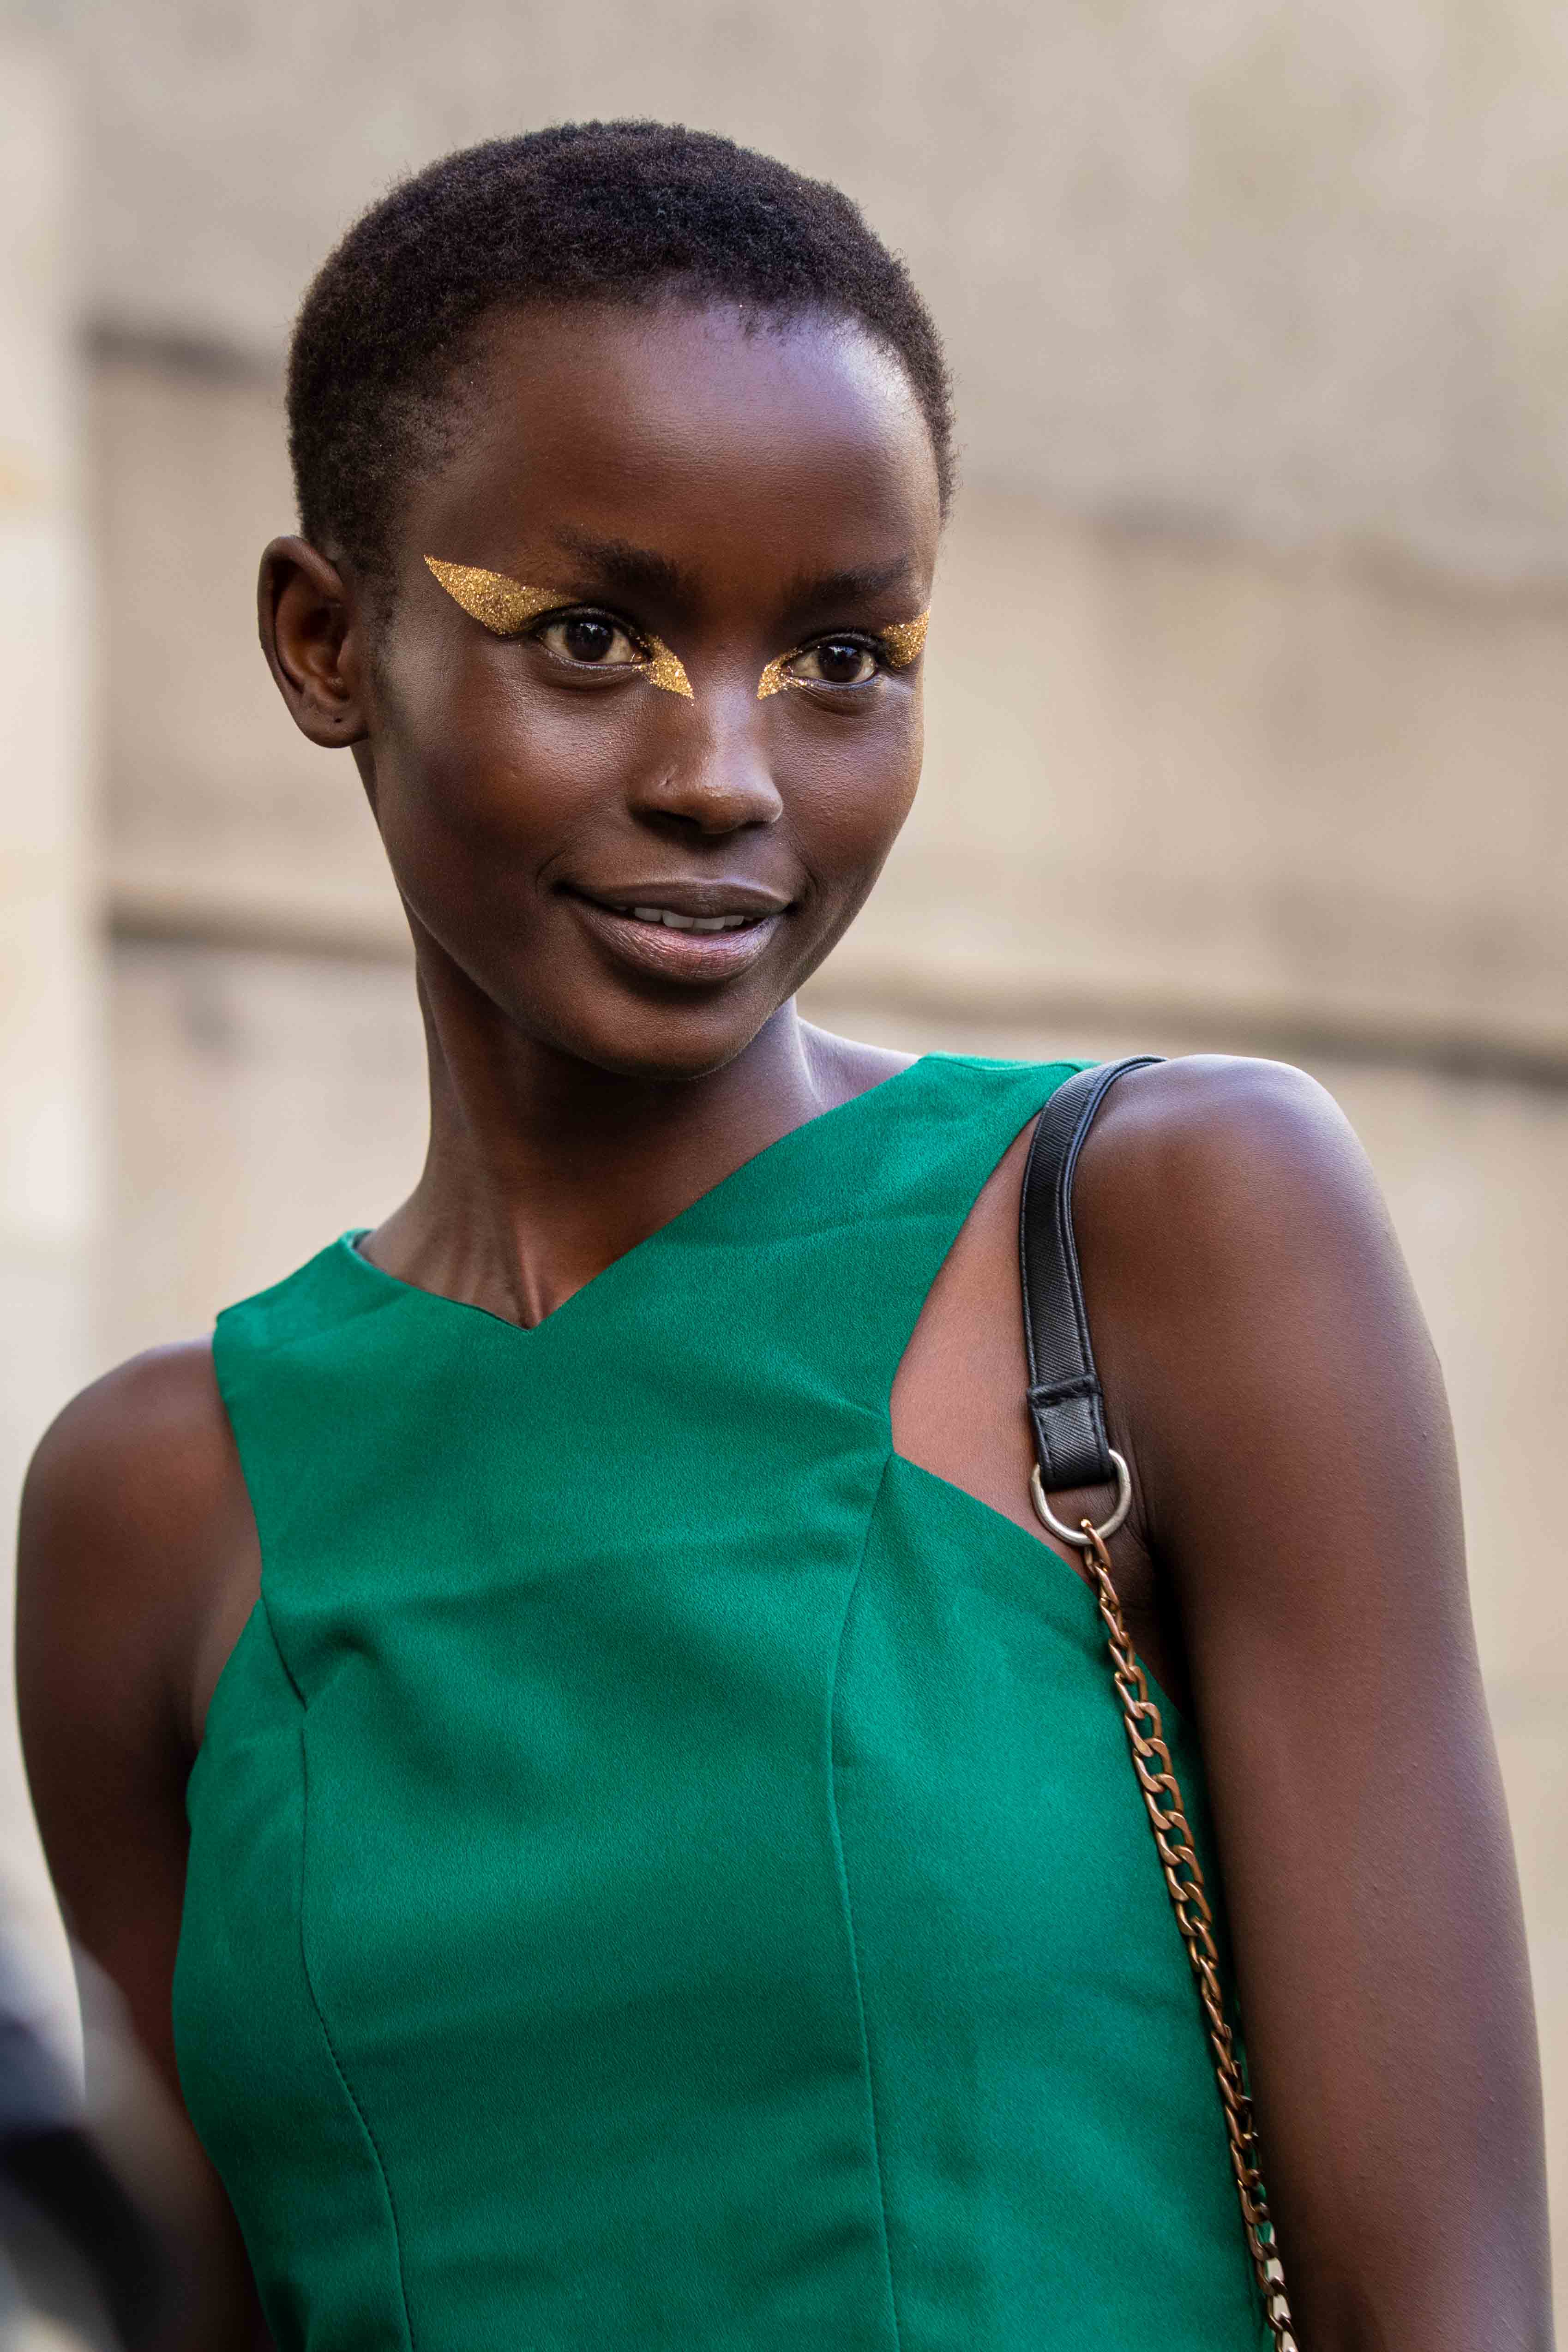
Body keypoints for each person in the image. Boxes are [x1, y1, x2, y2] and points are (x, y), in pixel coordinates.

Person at [15, 123, 1552, 2352]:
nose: (727, 767)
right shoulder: (158, 1509)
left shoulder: (1157, 1230)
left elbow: (1454, 2315)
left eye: (842, 654)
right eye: (592, 634)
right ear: (323, 637)